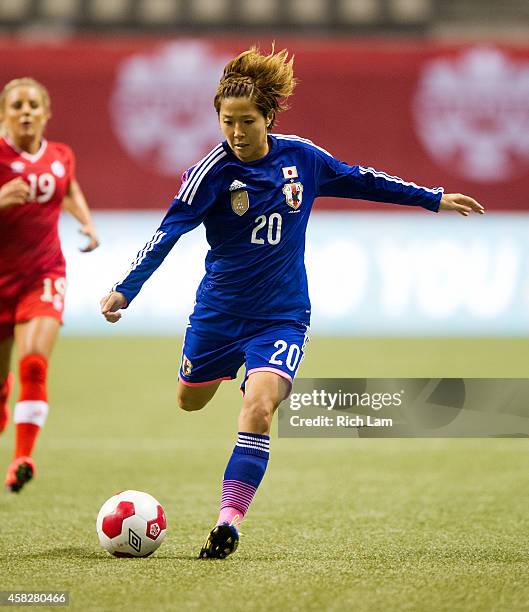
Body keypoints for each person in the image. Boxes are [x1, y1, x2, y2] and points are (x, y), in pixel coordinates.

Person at [100, 47, 484, 558]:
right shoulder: (208, 174)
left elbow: (363, 179)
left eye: (247, 121)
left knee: (258, 407)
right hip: (218, 314)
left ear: (269, 118)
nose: (236, 132)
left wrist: (431, 197)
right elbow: (167, 233)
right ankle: (222, 372)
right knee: (188, 401)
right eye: (227, 122)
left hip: (281, 317)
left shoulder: (302, 158)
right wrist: (127, 287)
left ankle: (228, 522)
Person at [0, 77, 99, 493]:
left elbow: (68, 187)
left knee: (35, 362)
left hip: (43, 275)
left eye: (33, 105)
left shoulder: (61, 156)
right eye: (17, 104)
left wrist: (86, 221)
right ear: (4, 113)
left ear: (46, 113)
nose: (25, 111)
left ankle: (23, 456)